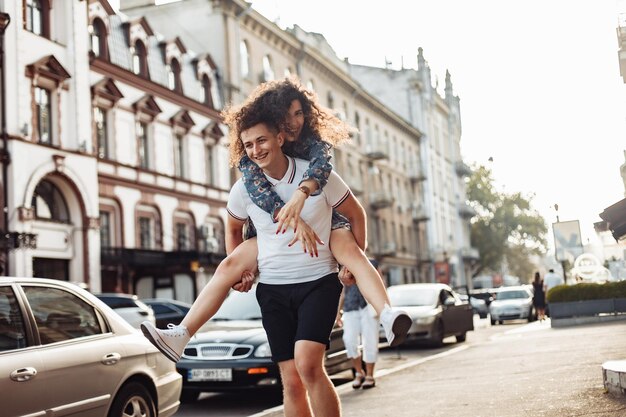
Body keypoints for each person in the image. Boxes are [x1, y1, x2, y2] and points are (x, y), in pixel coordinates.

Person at [141, 78, 411, 362]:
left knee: (351, 250)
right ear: (274, 120)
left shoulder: (313, 146)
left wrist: (347, 264)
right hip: (273, 228)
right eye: (287, 115)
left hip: (323, 219)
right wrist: (246, 272)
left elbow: (333, 186)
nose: (295, 121)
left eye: (299, 113)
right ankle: (181, 334)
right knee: (228, 265)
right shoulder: (252, 154)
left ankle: (388, 315)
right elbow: (255, 201)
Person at [223, 93, 366, 416]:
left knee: (309, 366)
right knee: (290, 380)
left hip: (319, 280)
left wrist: (352, 262)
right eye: (249, 144)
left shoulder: (316, 167)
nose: (256, 148)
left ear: (279, 135)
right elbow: (233, 229)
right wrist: (242, 274)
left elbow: (356, 213)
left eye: (263, 140)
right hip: (273, 288)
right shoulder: (246, 183)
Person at [336, 260, 382, 390]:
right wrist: (338, 312)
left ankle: (369, 375)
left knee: (370, 340)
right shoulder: (345, 265)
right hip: (350, 307)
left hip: (369, 306)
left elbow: (380, 285)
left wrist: (381, 306)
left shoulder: (372, 263)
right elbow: (343, 291)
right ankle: (358, 372)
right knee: (349, 340)